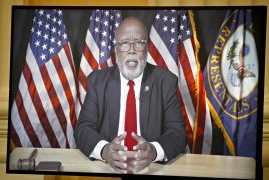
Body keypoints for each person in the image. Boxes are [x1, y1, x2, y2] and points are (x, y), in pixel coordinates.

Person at [74, 17, 186, 174]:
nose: (132, 50)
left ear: (146, 48)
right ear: (116, 49)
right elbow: (83, 128)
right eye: (125, 43)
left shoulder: (165, 81)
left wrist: (154, 151)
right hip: (106, 168)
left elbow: (177, 132)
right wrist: (105, 151)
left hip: (152, 168)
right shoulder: (97, 81)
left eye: (139, 42)